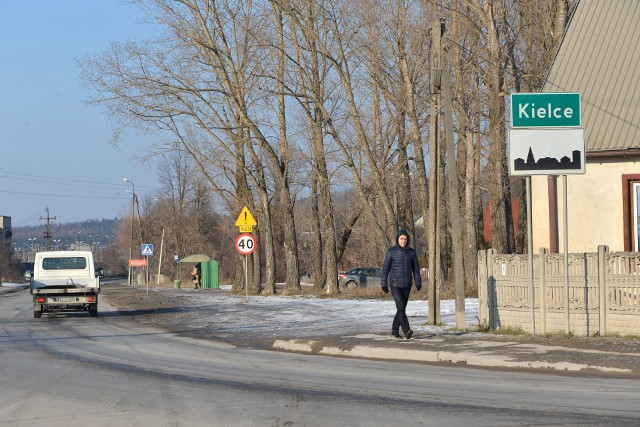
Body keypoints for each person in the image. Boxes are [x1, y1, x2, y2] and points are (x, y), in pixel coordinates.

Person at [380, 229, 422, 339]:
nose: (403, 241)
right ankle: (406, 330)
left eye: (405, 239)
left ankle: (394, 330)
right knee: (401, 307)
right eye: (401, 239)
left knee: (401, 309)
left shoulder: (412, 252)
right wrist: (383, 284)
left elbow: (416, 269)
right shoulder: (391, 252)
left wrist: (418, 282)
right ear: (397, 239)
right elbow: (385, 269)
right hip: (395, 284)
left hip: (407, 284)